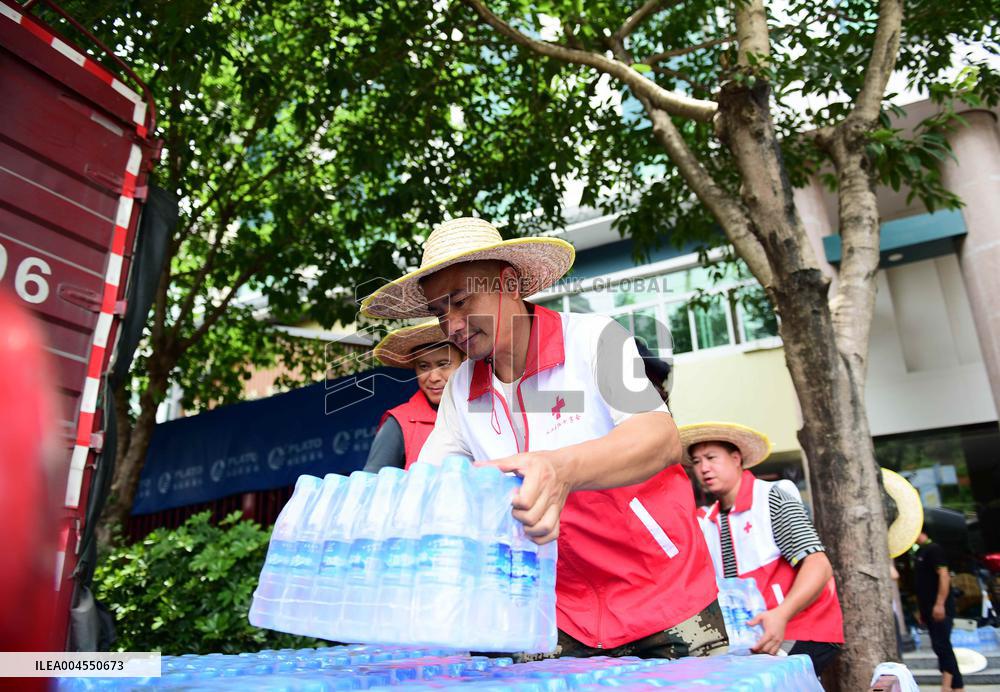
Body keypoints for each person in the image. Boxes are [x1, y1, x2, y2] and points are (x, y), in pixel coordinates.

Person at [361, 216, 725, 658]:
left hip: (663, 594)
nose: (452, 325)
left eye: (460, 302)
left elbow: (659, 437)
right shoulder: (461, 388)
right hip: (555, 609)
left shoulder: (595, 339)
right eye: (439, 313)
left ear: (510, 284)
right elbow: (433, 481)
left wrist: (560, 468)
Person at [682, 422, 844, 676]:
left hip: (802, 629)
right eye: (696, 461)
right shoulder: (707, 521)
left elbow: (818, 565)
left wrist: (781, 615)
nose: (704, 468)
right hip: (756, 639)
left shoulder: (771, 498)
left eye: (711, 458)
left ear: (736, 459)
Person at [363, 320, 463, 472]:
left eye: (443, 364)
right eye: (423, 366)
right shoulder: (399, 422)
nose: (434, 377)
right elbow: (372, 481)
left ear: (465, 363)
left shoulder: (489, 411)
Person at [914, 530, 964, 692]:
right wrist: (921, 610)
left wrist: (940, 603)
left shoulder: (934, 549)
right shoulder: (919, 552)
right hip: (927, 608)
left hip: (940, 607)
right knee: (938, 646)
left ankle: (948, 686)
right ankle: (956, 687)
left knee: (943, 645)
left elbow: (944, 576)